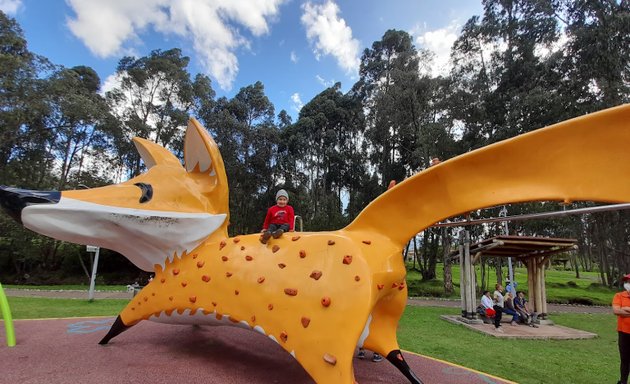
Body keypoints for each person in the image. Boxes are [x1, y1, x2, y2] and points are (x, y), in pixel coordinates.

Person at [612, 273, 630, 384]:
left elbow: (621, 311)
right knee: (625, 359)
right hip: (624, 333)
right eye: (627, 282)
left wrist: (627, 308)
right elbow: (616, 311)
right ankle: (623, 382)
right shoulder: (619, 296)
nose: (628, 284)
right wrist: (622, 309)